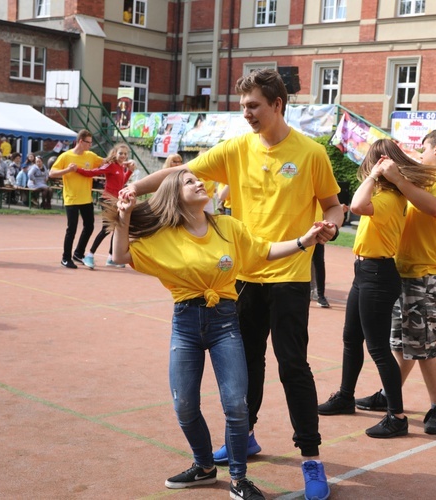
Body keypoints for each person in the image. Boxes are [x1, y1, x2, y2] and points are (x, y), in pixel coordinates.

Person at [120, 68, 343, 500]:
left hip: (290, 272)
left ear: (277, 104)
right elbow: (178, 173)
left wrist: (329, 228)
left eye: (254, 106)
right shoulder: (236, 148)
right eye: (242, 106)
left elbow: (335, 208)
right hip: (240, 274)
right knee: (249, 363)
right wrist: (132, 186)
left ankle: (312, 461)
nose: (246, 114)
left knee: (292, 365)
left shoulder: (312, 153)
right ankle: (248, 438)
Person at [108, 169, 327, 499]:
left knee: (236, 405)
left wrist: (303, 241)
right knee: (184, 405)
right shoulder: (164, 236)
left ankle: (239, 479)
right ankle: (204, 466)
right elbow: (119, 255)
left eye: (198, 178)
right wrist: (123, 217)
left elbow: (263, 251)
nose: (199, 182)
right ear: (174, 195)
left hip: (225, 323)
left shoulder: (228, 228)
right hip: (185, 323)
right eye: (188, 181)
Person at [317, 139, 436, 439]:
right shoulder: (385, 195)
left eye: (371, 164)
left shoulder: (387, 199)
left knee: (378, 348)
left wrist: (373, 177)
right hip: (365, 272)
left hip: (377, 274)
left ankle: (396, 416)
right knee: (351, 338)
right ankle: (346, 396)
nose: (367, 169)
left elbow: (357, 206)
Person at [355, 129, 436, 436]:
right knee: (402, 343)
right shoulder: (425, 180)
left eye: (423, 148)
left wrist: (401, 180)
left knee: (424, 343)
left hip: (427, 271)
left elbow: (435, 208)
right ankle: (391, 395)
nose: (420, 153)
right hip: (406, 269)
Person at [75, 143, 136, 268]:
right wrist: (77, 169)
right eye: (121, 153)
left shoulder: (120, 167)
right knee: (107, 229)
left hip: (117, 200)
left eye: (125, 154)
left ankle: (111, 258)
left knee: (117, 228)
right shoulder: (111, 166)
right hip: (107, 199)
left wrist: (130, 171)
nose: (123, 156)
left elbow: (121, 182)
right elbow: (93, 172)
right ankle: (89, 255)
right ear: (115, 153)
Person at [49, 129, 103, 269]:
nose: (90, 145)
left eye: (91, 142)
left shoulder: (90, 156)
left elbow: (105, 162)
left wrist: (123, 161)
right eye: (88, 142)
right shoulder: (65, 156)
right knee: (71, 229)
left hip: (86, 197)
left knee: (89, 226)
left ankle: (78, 253)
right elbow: (52, 173)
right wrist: (67, 170)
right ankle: (65, 258)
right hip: (71, 198)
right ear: (80, 141)